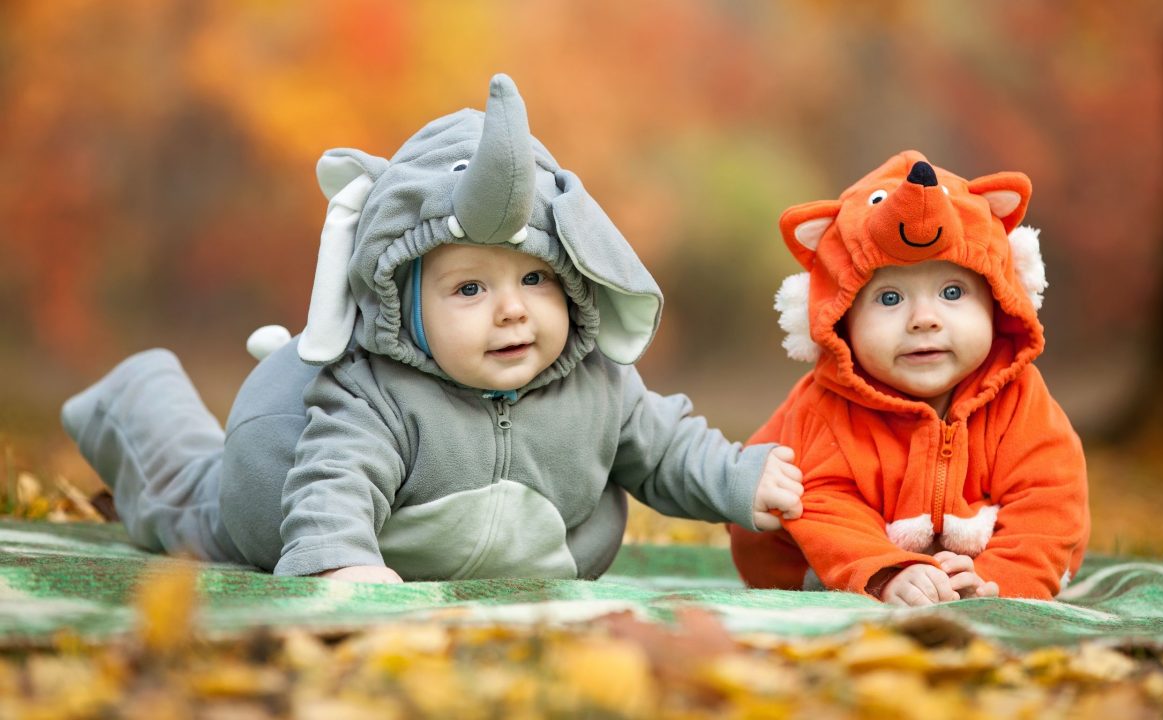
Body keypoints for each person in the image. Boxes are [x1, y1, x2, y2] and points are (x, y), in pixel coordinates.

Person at [61, 74, 803, 583]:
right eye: (470, 288)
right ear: (408, 307)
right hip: (274, 496)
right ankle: (136, 399)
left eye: (536, 279)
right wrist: (338, 559)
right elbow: (334, 477)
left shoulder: (599, 385)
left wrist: (738, 478)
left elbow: (667, 447)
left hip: (514, 553)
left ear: (574, 281)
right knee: (183, 500)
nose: (511, 309)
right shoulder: (375, 391)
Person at [729, 150, 1089, 605]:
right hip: (810, 561)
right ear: (842, 320)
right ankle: (845, 587)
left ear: (999, 303)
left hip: (976, 561)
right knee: (788, 497)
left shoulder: (1020, 400)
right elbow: (823, 502)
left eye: (952, 292)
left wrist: (1000, 581)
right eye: (890, 298)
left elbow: (1050, 498)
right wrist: (887, 574)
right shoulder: (825, 408)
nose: (923, 319)